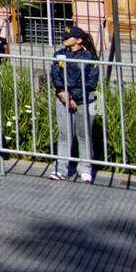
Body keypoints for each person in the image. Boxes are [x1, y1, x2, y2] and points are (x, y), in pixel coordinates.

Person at [50, 25, 99, 183]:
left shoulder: (89, 57)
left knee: (84, 135)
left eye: (68, 37)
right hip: (63, 99)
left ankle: (85, 169)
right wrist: (62, 92)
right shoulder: (59, 54)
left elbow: (91, 82)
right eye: (63, 36)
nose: (64, 39)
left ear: (78, 40)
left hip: (85, 100)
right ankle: (60, 169)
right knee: (64, 135)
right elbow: (55, 74)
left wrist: (75, 97)